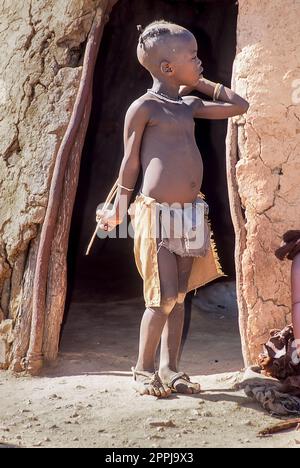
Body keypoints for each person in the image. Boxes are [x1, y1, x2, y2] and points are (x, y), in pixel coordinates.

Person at [96, 20, 249, 397]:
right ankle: (143, 369)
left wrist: (199, 82)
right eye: (193, 57)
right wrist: (119, 205)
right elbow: (129, 163)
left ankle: (171, 368)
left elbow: (238, 106)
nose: (201, 62)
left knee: (180, 295)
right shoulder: (144, 107)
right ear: (167, 67)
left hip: (190, 212)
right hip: (158, 213)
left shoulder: (188, 105)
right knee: (162, 296)